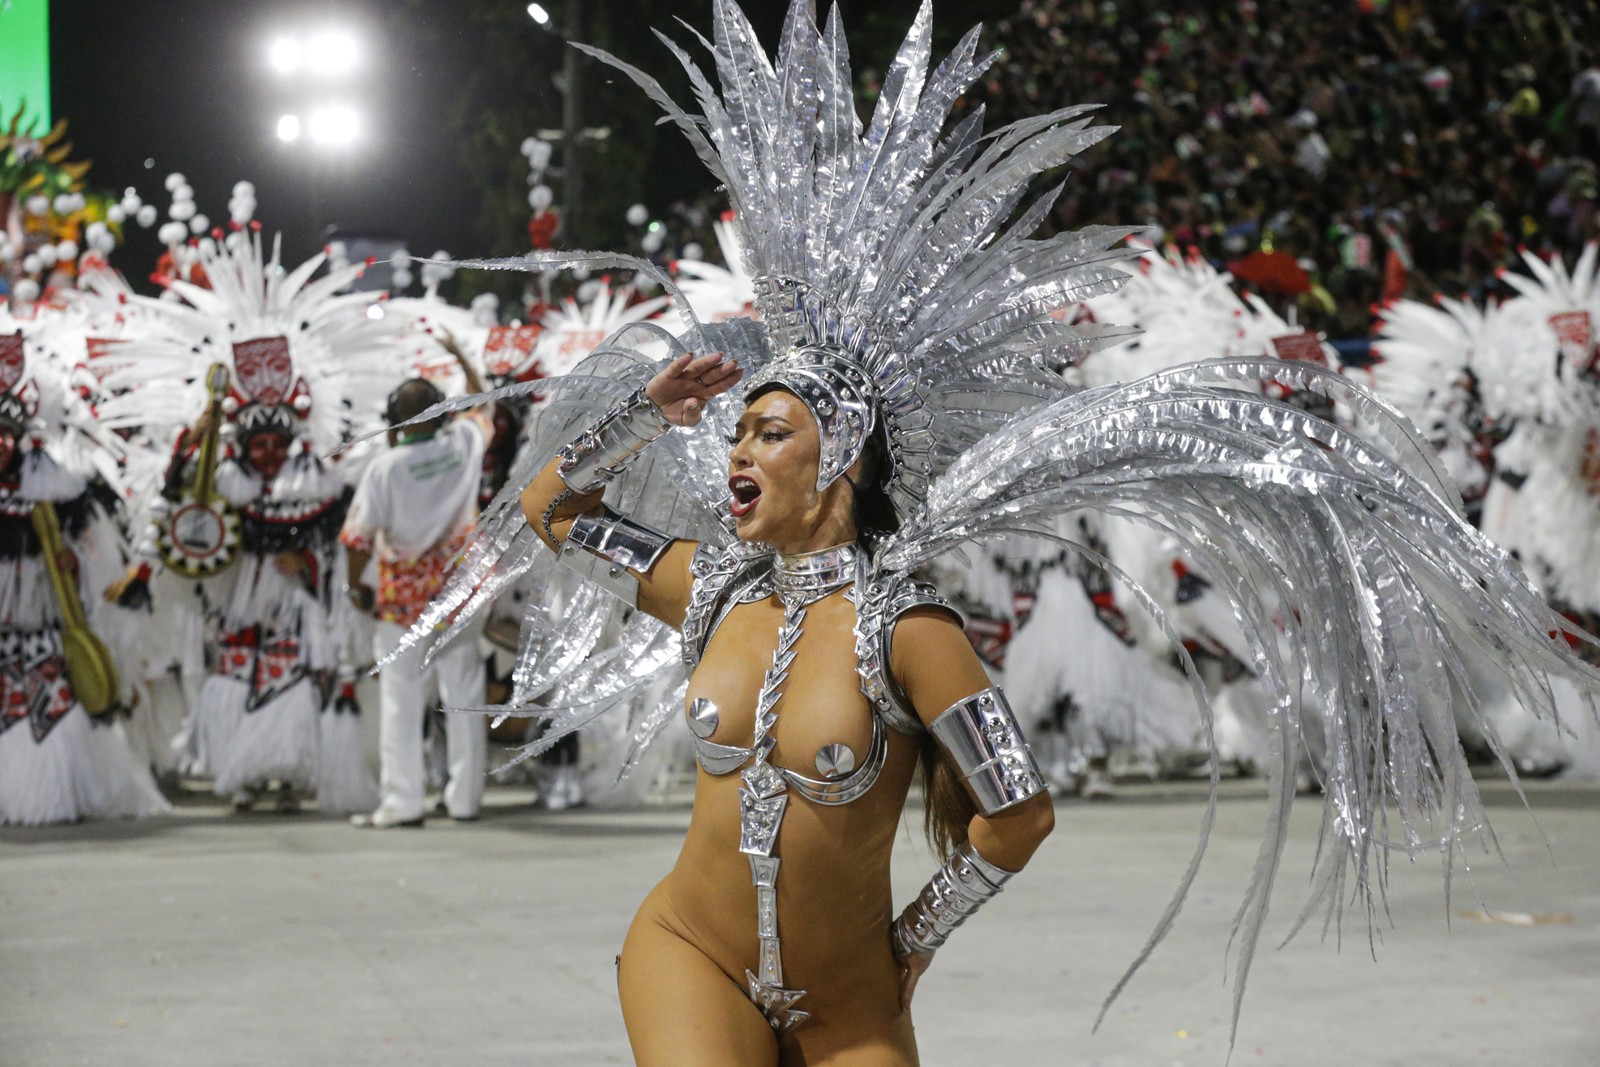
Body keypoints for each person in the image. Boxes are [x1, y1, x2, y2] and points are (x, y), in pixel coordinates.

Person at [417, 3, 1598, 1062]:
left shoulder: (908, 629)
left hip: (846, 1002)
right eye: (735, 431)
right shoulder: (709, 585)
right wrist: (639, 414)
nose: (735, 450)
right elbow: (549, 512)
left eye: (767, 432)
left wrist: (913, 942)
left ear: (840, 460)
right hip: (690, 949)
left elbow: (1017, 812)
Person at [342, 345, 490, 828]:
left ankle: (403, 802)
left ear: (395, 419)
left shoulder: (384, 469)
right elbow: (483, 402)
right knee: (463, 693)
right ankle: (465, 800)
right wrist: (462, 359)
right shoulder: (464, 444)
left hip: (403, 603)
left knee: (402, 700)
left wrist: (353, 587)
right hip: (461, 594)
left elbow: (358, 538)